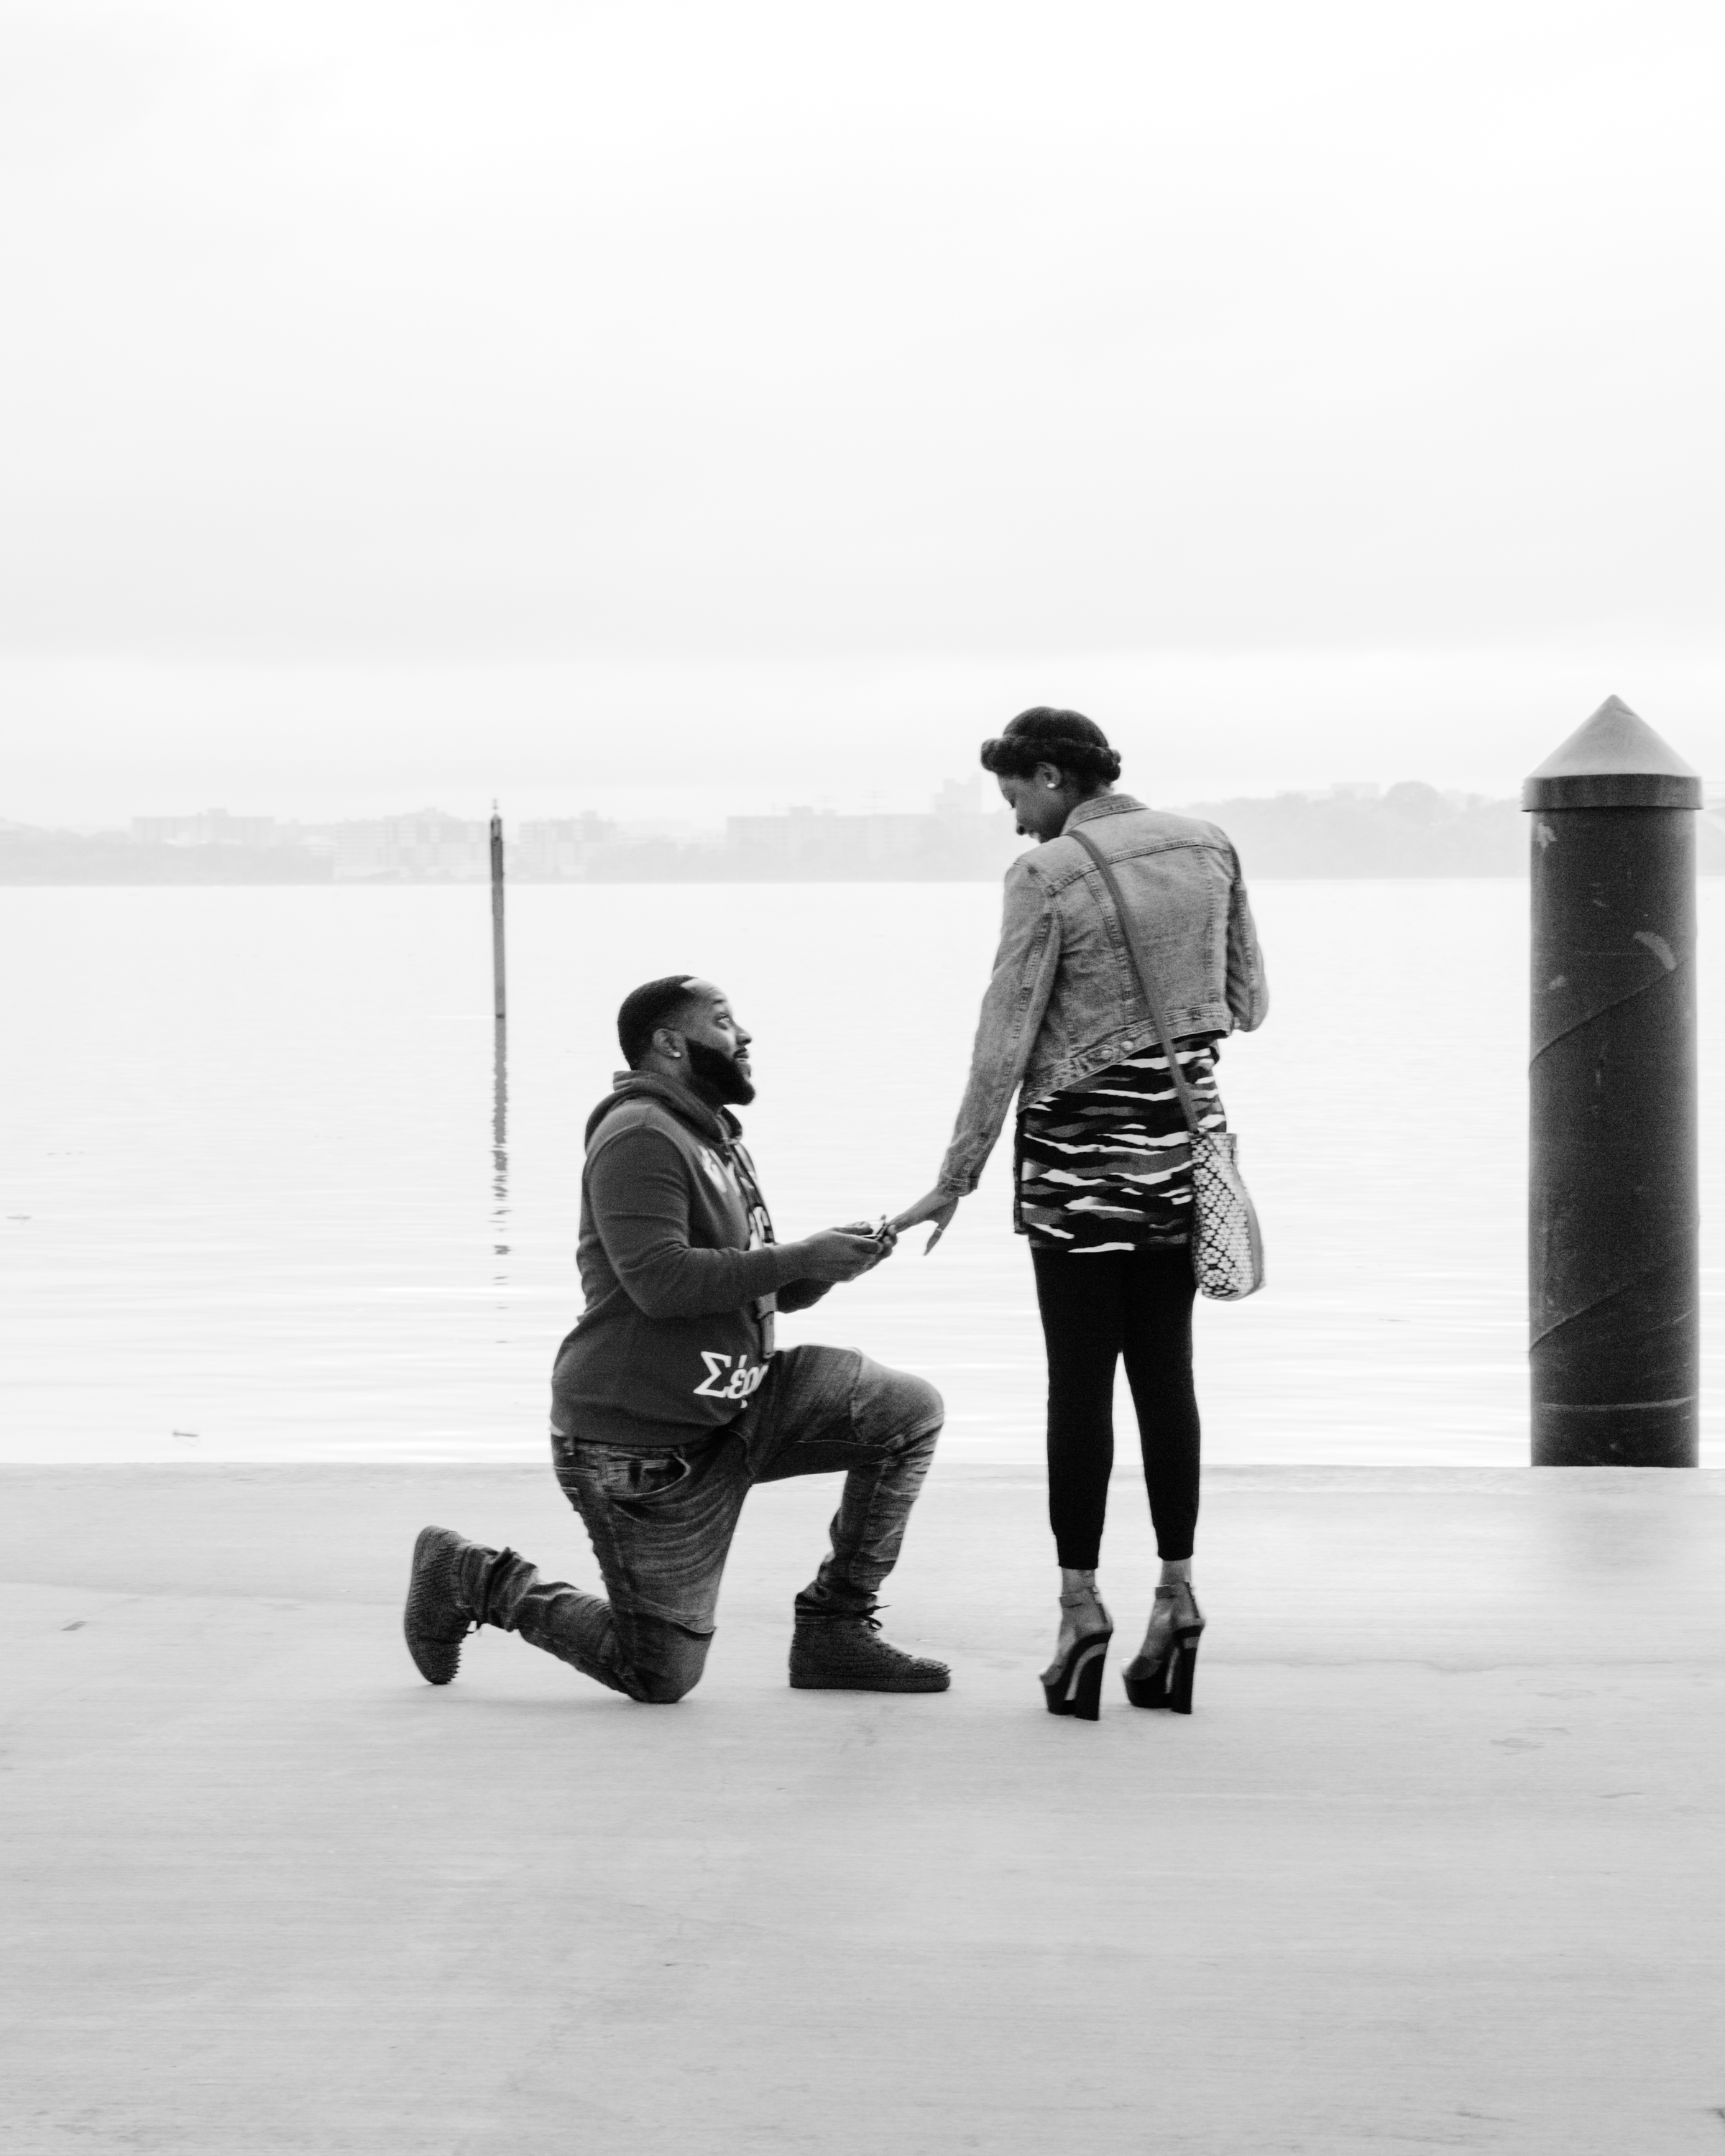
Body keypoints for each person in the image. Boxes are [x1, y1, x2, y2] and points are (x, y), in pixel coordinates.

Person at [404, 975, 951, 1703]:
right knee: (660, 1675)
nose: (746, 1037)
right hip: (642, 1451)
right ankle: (472, 1577)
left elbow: (757, 1282)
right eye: (725, 1022)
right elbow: (660, 1283)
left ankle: (835, 1630)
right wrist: (802, 1258)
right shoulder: (639, 1136)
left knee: (906, 1412)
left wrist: (827, 1267)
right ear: (670, 1044)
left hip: (741, 1407)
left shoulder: (713, 1140)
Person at [894, 709, 1267, 1720]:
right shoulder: (1209, 845)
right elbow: (1248, 998)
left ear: (1053, 777)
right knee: (1166, 1376)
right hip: (1179, 1154)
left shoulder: (1046, 875)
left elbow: (1005, 1036)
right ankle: (1178, 1600)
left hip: (1078, 1164)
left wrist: (956, 1175)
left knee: (1079, 1386)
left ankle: (1079, 1610)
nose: (1017, 821)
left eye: (1017, 796)